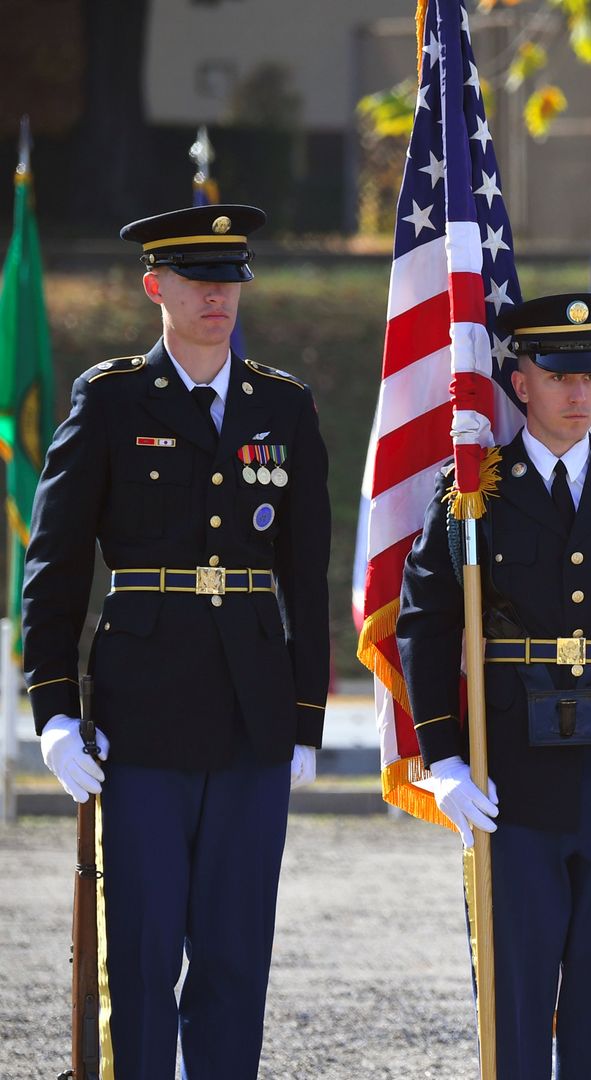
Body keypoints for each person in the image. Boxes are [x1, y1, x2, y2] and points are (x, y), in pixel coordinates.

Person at [25, 203, 330, 1077]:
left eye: (231, 280)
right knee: (146, 954)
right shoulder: (112, 397)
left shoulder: (283, 405)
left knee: (236, 956)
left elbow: (305, 572)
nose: (218, 299)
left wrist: (305, 713)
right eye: (199, 282)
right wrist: (52, 710)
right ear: (156, 286)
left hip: (252, 711)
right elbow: (56, 561)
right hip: (142, 710)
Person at [396, 292, 591, 1077]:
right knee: (515, 994)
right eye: (557, 374)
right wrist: (447, 761)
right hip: (512, 774)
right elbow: (424, 625)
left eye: (589, 374)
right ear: (519, 382)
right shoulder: (472, 493)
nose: (578, 392)